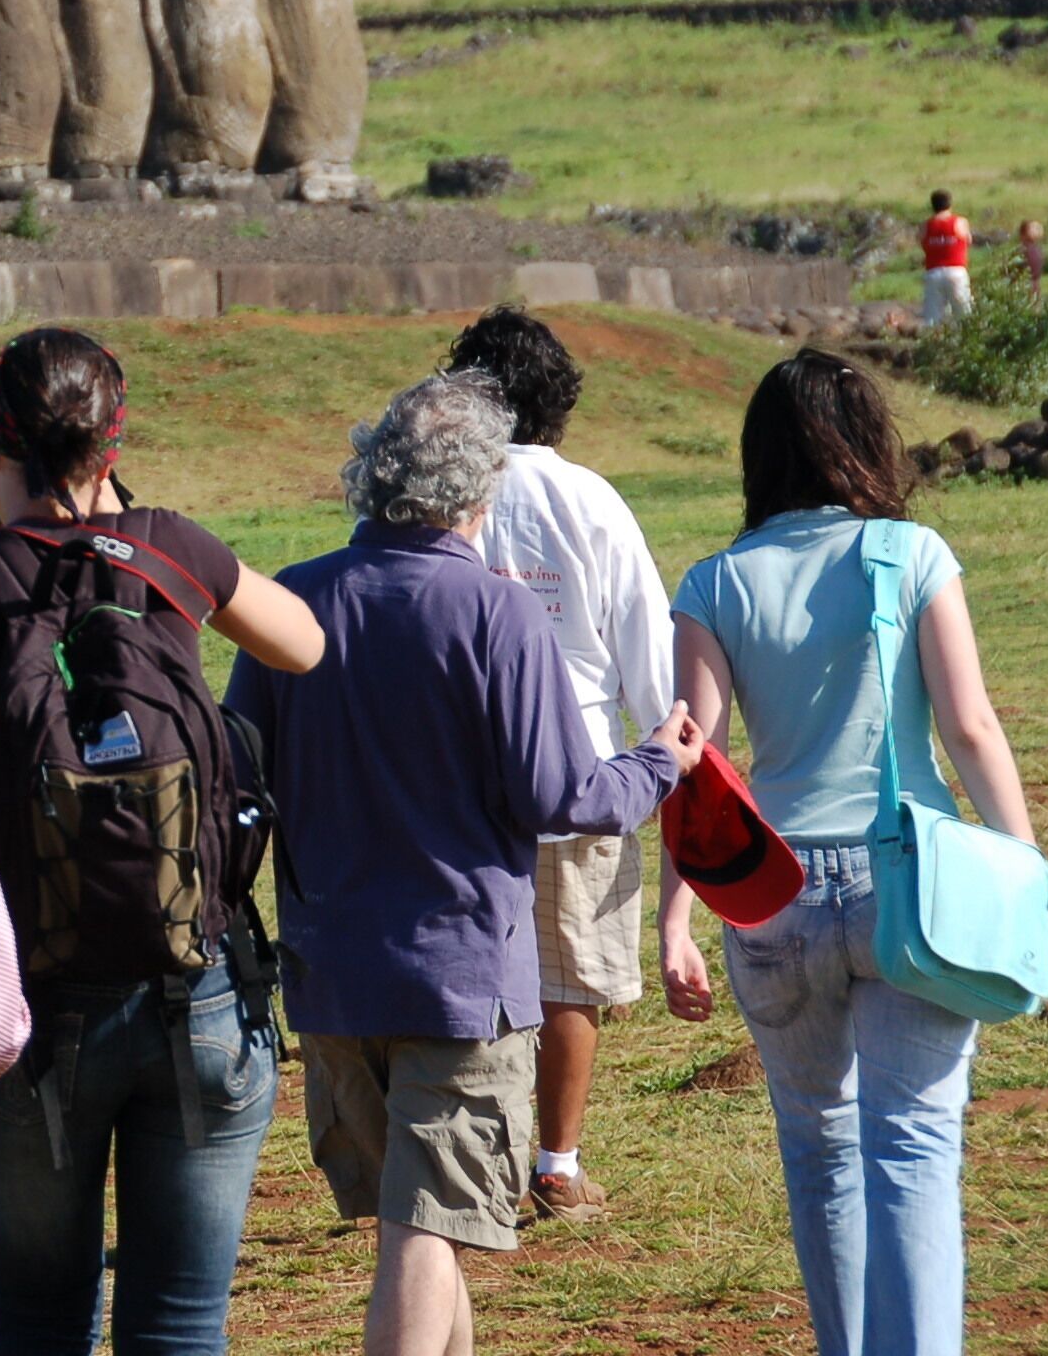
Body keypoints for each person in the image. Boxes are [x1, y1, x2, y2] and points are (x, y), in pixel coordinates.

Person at [226, 374, 702, 1356]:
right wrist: (660, 759)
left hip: (330, 978)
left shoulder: (293, 597)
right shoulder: (495, 612)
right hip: (458, 980)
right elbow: (561, 796)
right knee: (426, 1231)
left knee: (419, 1229)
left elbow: (240, 781)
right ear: (479, 490)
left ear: (372, 474)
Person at [0, 327, 325, 1356]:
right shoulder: (170, 549)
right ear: (110, 447)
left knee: (37, 1323)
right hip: (198, 984)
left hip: (28, 1004)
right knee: (180, 1323)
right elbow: (303, 642)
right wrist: (130, 531)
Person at [658, 351, 1048, 1356]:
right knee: (912, 1145)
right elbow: (968, 726)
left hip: (771, 897)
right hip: (907, 886)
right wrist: (1030, 877)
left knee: (818, 1151)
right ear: (865, 441)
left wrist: (672, 922)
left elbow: (695, 768)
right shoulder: (911, 554)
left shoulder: (712, 582)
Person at [445, 307, 674, 1224]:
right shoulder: (591, 501)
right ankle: (556, 1164)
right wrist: (665, 750)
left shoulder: (441, 494)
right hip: (579, 775)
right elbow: (647, 649)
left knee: (473, 974)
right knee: (571, 977)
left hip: (458, 778)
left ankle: (477, 1160)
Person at [920, 190, 974, 327]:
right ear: (950, 204)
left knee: (932, 317)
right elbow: (968, 240)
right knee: (963, 313)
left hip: (933, 272)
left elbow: (922, 242)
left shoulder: (925, 225)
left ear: (932, 205)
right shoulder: (960, 222)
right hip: (956, 271)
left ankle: (933, 338)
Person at [1018, 216, 1047, 300]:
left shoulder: (1022, 251)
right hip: (1036, 284)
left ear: (1023, 235)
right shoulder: (1039, 250)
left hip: (1024, 285)